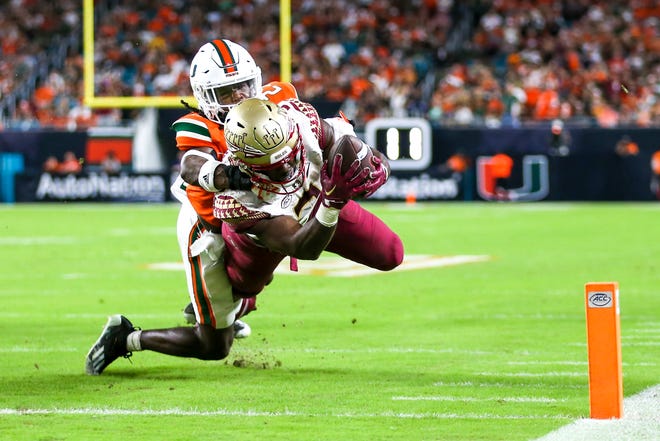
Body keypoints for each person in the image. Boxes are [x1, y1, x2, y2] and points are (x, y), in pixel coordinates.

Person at [85, 96, 402, 375]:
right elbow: (301, 245)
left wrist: (375, 166)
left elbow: (355, 149)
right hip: (273, 230)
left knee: (391, 253)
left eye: (289, 154)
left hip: (316, 202)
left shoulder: (300, 118)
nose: (288, 167)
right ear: (248, 165)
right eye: (276, 167)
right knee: (217, 342)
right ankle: (129, 337)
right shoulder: (234, 199)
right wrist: (333, 201)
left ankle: (236, 300)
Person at [86, 39, 293, 375]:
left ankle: (225, 308)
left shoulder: (276, 101)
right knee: (214, 347)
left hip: (251, 220)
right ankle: (126, 337)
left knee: (259, 274)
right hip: (208, 228)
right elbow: (192, 166)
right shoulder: (199, 124)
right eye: (227, 92)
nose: (240, 97)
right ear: (208, 97)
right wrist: (229, 176)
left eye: (243, 86)